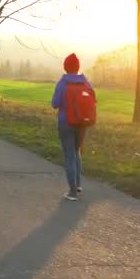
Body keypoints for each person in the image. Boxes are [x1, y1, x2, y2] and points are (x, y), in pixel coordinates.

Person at [51, 53, 93, 201]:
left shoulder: (62, 83)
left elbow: (55, 103)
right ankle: (78, 185)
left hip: (65, 123)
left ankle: (72, 192)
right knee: (76, 152)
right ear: (78, 67)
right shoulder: (86, 82)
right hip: (82, 123)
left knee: (69, 155)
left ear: (65, 67)